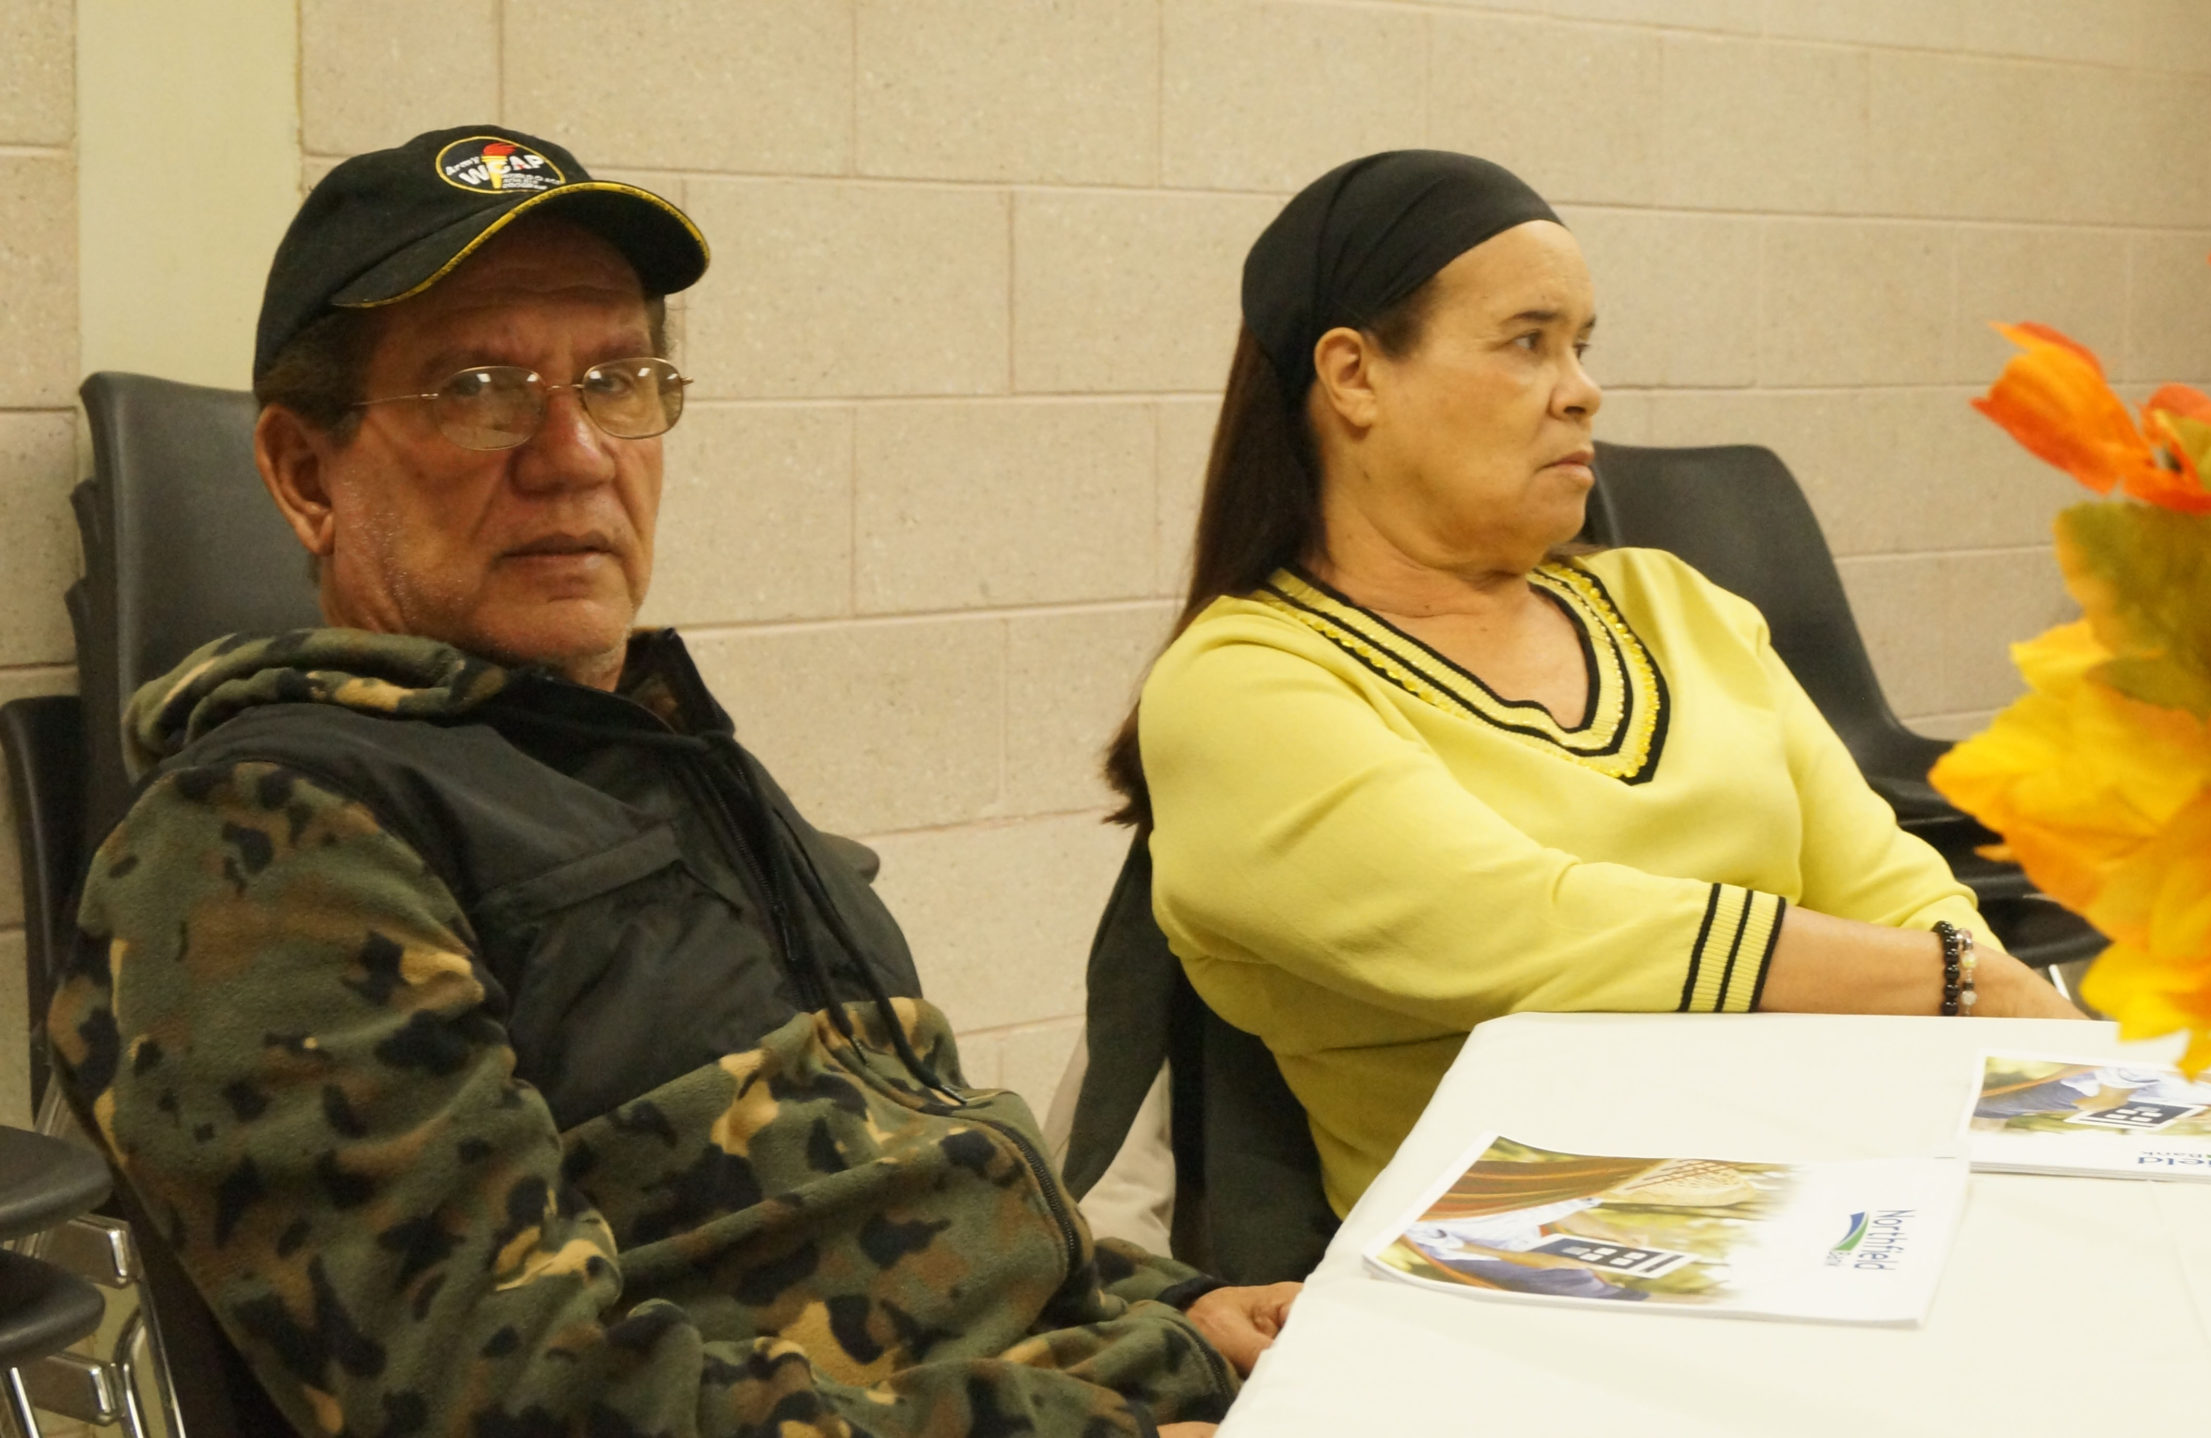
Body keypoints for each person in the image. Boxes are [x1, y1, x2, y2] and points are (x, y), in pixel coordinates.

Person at [47, 125, 1286, 1438]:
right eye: (481, 389)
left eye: (618, 379)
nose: (577, 451)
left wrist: (1176, 1319)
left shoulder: (662, 764)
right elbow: (521, 1406)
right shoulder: (270, 843)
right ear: (307, 475)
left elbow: (924, 1195)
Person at [1106, 150, 2085, 1219]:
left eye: (1581, 345)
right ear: (1354, 376)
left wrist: (2001, 1027)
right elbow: (1532, 932)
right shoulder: (1243, 685)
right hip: (1526, 1246)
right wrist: (1958, 980)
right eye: (1528, 342)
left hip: (1839, 1190)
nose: (1583, 390)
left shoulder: (1674, 606)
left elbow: (1892, 887)